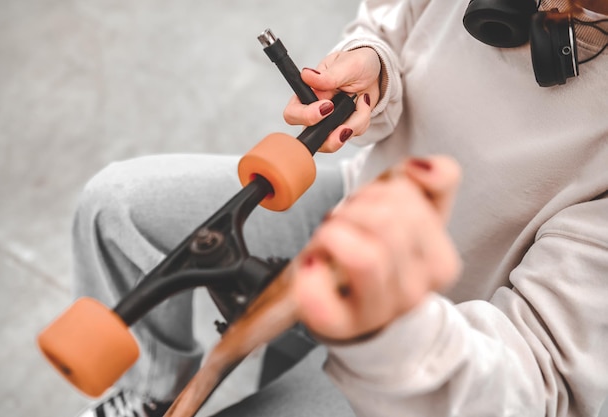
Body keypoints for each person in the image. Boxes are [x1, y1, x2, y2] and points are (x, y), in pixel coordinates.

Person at [73, 0, 608, 416]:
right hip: (352, 203)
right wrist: (372, 63)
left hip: (441, 338)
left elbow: (539, 385)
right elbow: (390, 25)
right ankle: (154, 391)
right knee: (115, 208)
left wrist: (383, 331)